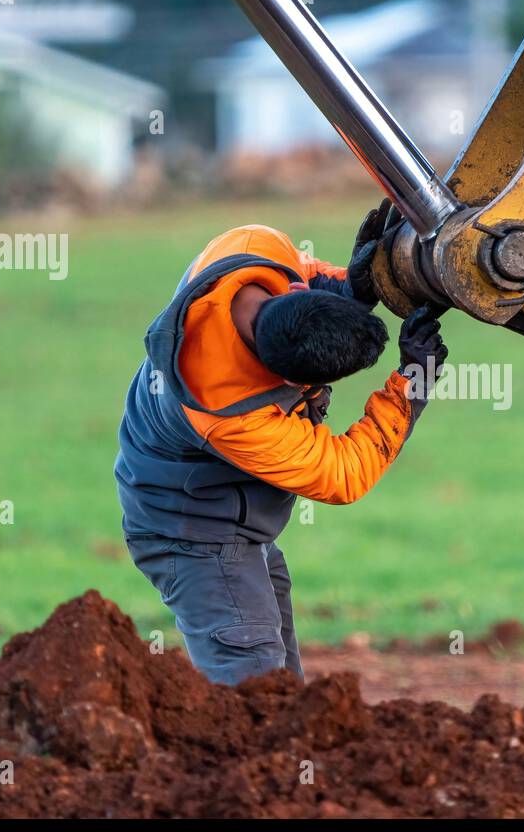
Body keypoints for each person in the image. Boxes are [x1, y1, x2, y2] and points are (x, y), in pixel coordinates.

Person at [115, 206, 446, 684]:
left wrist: (350, 288)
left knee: (280, 687)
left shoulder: (249, 248)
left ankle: (285, 757)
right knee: (253, 683)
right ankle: (238, 759)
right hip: (195, 537)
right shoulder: (230, 413)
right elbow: (343, 473)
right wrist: (412, 385)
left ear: (290, 291)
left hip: (226, 521)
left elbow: (306, 272)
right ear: (291, 381)